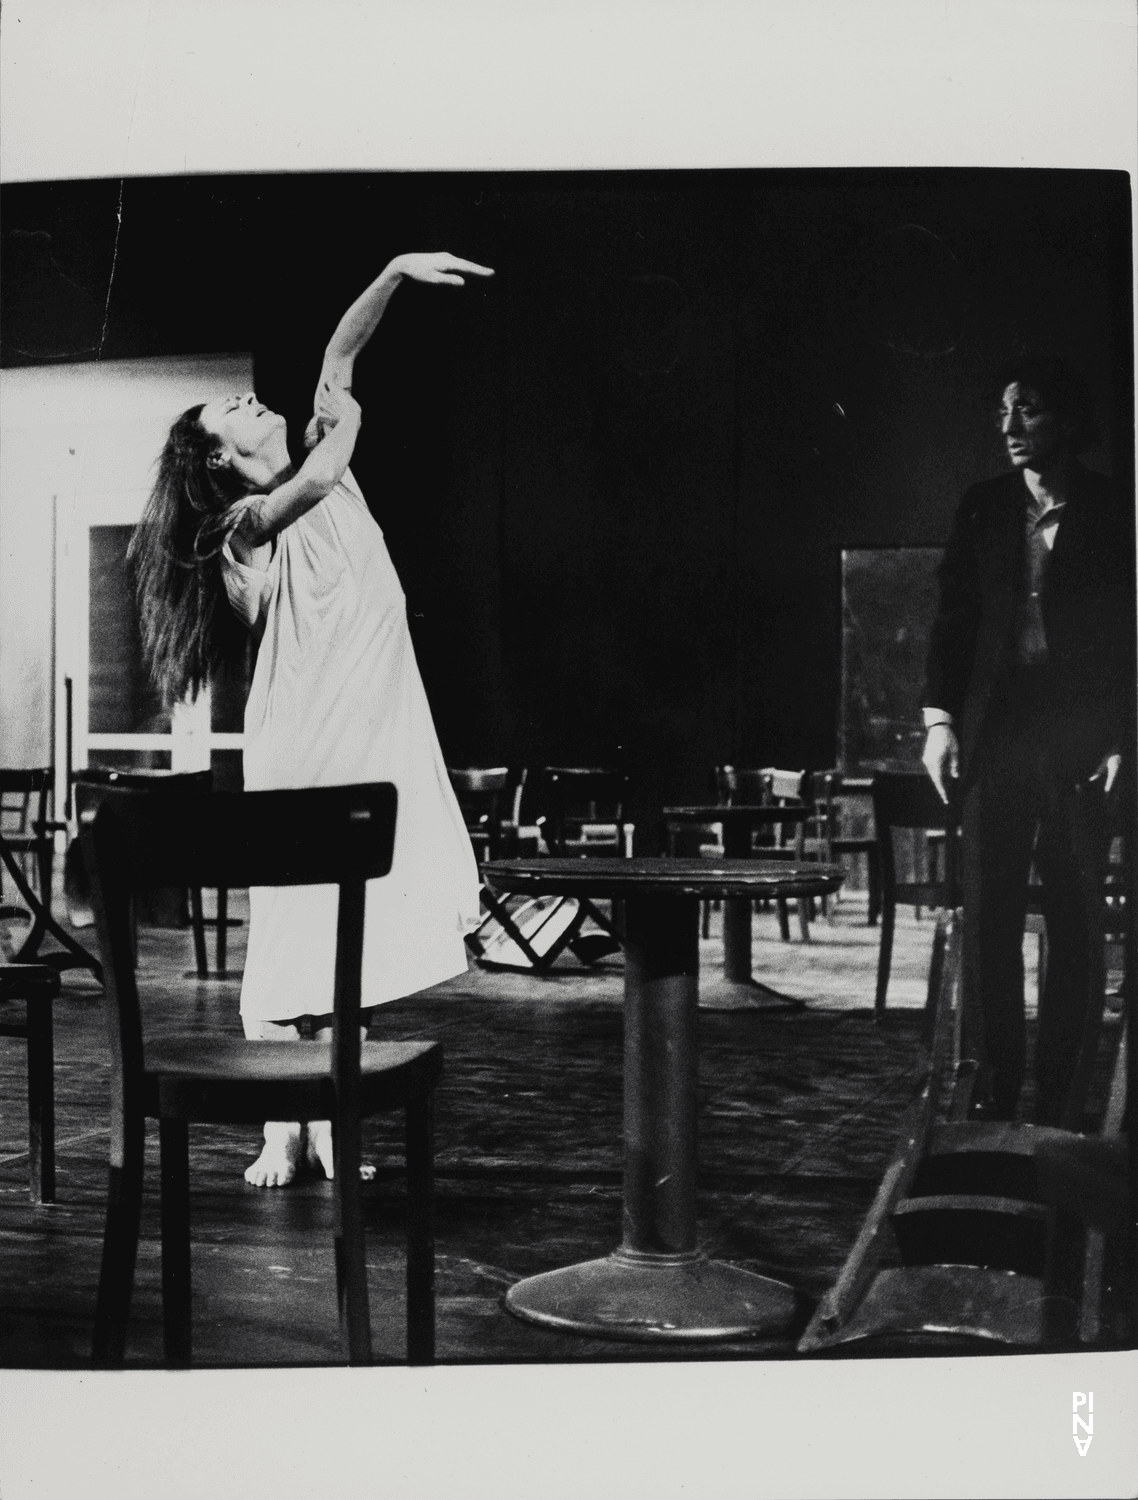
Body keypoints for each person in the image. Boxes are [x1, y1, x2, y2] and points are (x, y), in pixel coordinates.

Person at [130, 251, 493, 1183]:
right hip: (309, 744)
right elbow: (318, 482)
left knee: (353, 926)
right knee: (297, 924)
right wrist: (351, 427)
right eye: (237, 412)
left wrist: (395, 273)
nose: (257, 404)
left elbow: (341, 352)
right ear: (218, 455)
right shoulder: (239, 527)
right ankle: (281, 1121)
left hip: (374, 726)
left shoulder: (327, 465)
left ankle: (320, 1114)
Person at [920, 354, 1133, 1126]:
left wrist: (1121, 738)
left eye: (1030, 410)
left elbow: (1129, 641)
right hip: (997, 733)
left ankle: (1064, 1093)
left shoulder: (1116, 513)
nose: (1009, 426)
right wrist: (939, 722)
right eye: (1004, 410)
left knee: (1077, 915)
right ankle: (993, 1087)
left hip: (1080, 732)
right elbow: (953, 624)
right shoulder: (983, 507)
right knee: (990, 912)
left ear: (1069, 421)